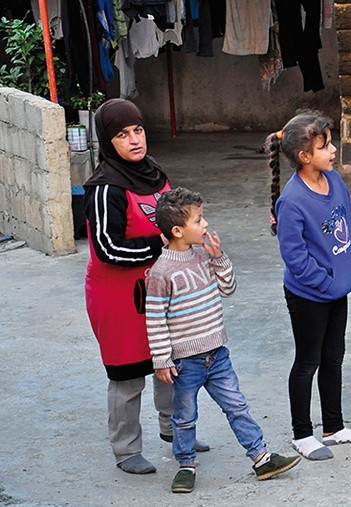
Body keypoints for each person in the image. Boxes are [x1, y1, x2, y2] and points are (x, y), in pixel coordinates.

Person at [83, 99, 208, 475]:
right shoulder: (107, 188)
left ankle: (174, 432)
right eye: (122, 135)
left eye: (137, 130)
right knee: (127, 373)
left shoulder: (156, 174)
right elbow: (107, 248)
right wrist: (161, 245)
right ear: (108, 140)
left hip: (160, 291)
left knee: (169, 363)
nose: (134, 140)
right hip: (119, 298)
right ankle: (126, 449)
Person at [147, 187, 300, 493]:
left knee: (237, 406)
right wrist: (161, 360)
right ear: (177, 231)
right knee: (185, 417)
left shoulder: (204, 256)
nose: (205, 225)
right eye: (199, 220)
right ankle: (186, 464)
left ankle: (261, 458)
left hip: (217, 356)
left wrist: (219, 259)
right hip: (184, 363)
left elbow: (228, 289)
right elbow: (155, 319)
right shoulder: (161, 273)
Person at [267, 111, 351, 461]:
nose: (333, 151)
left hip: (336, 289)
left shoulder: (335, 181)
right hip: (309, 296)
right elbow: (294, 257)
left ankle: (334, 427)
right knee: (308, 361)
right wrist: (325, 281)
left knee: (334, 357)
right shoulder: (293, 201)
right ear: (304, 156)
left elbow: (346, 219)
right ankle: (302, 434)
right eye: (325, 145)